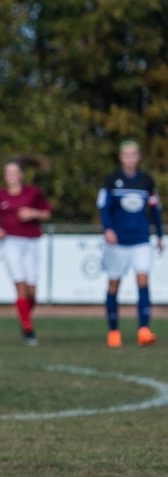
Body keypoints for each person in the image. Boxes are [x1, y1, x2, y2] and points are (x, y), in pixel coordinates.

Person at [98, 139, 162, 348]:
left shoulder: (146, 181)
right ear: (121, 157)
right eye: (126, 154)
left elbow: (155, 208)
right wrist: (107, 229)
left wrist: (159, 234)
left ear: (139, 156)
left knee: (143, 280)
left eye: (133, 154)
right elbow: (103, 207)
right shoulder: (111, 180)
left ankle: (143, 330)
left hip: (140, 239)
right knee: (113, 284)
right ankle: (113, 331)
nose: (130, 158)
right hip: (117, 241)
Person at [0, 157, 52, 345]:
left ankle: (25, 316)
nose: (11, 176)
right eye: (8, 173)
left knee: (32, 293)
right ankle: (28, 329)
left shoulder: (33, 193)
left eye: (14, 173)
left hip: (32, 242)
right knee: (20, 286)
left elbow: (46, 212)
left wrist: (33, 213)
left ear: (21, 175)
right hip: (10, 243)